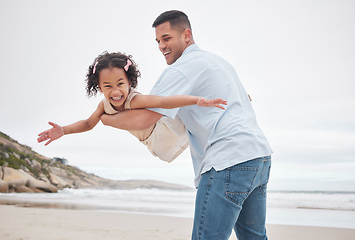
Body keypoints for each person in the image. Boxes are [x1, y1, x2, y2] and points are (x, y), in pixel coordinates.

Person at [100, 11, 273, 240]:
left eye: (167, 38)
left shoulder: (180, 69)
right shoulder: (218, 62)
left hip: (227, 160)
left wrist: (106, 119)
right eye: (158, 41)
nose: (161, 46)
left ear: (187, 35)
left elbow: (145, 118)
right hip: (259, 158)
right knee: (255, 237)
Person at [37, 51, 227, 162]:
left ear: (130, 82)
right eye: (107, 86)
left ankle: (217, 97)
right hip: (152, 140)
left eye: (120, 84)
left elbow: (163, 102)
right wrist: (63, 130)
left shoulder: (134, 100)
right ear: (99, 87)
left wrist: (197, 101)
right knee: (192, 119)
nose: (115, 91)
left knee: (189, 112)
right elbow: (88, 124)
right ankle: (210, 101)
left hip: (164, 129)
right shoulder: (103, 105)